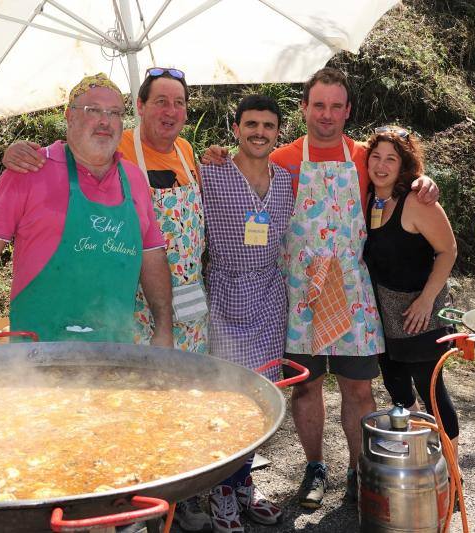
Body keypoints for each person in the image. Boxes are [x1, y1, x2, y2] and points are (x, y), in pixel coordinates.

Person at [202, 67, 439, 508]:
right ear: (304, 108)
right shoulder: (283, 158)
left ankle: (358, 470)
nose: (326, 115)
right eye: (318, 105)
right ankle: (315, 467)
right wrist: (215, 155)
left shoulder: (366, 157)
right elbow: (242, 170)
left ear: (348, 110)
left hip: (351, 288)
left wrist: (426, 182)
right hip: (297, 290)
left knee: (358, 389)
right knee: (305, 385)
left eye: (335, 106)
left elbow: (404, 182)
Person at [2, 68, 212, 532]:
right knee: (57, 440)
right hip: (84, 324)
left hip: (177, 308)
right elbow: (59, 160)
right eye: (160, 101)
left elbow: (155, 249)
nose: (170, 111)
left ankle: (146, 501)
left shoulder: (185, 154)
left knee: (134, 422)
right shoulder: (88, 155)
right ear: (141, 109)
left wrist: (166, 326)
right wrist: (15, 150)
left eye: (178, 103)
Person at [0, 73, 173, 350]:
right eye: (93, 110)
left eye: (114, 113)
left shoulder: (134, 179)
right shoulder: (30, 169)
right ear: (69, 116)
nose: (105, 121)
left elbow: (153, 257)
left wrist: (164, 328)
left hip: (114, 349)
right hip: (36, 351)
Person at [200, 94, 288, 531]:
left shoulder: (286, 179)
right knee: (228, 396)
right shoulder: (210, 171)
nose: (259, 132)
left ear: (277, 132)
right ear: (235, 128)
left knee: (263, 395)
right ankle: (221, 492)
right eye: (250, 124)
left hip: (270, 295)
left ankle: (244, 484)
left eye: (268, 125)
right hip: (223, 292)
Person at [362, 125, 459, 462]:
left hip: (422, 315)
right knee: (399, 391)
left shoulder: (418, 202)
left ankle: (451, 475)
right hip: (384, 317)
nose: (382, 165)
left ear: (405, 167)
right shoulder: (369, 198)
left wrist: (427, 299)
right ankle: (421, 460)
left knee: (432, 393)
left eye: (391, 159)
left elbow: (448, 251)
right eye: (376, 156)